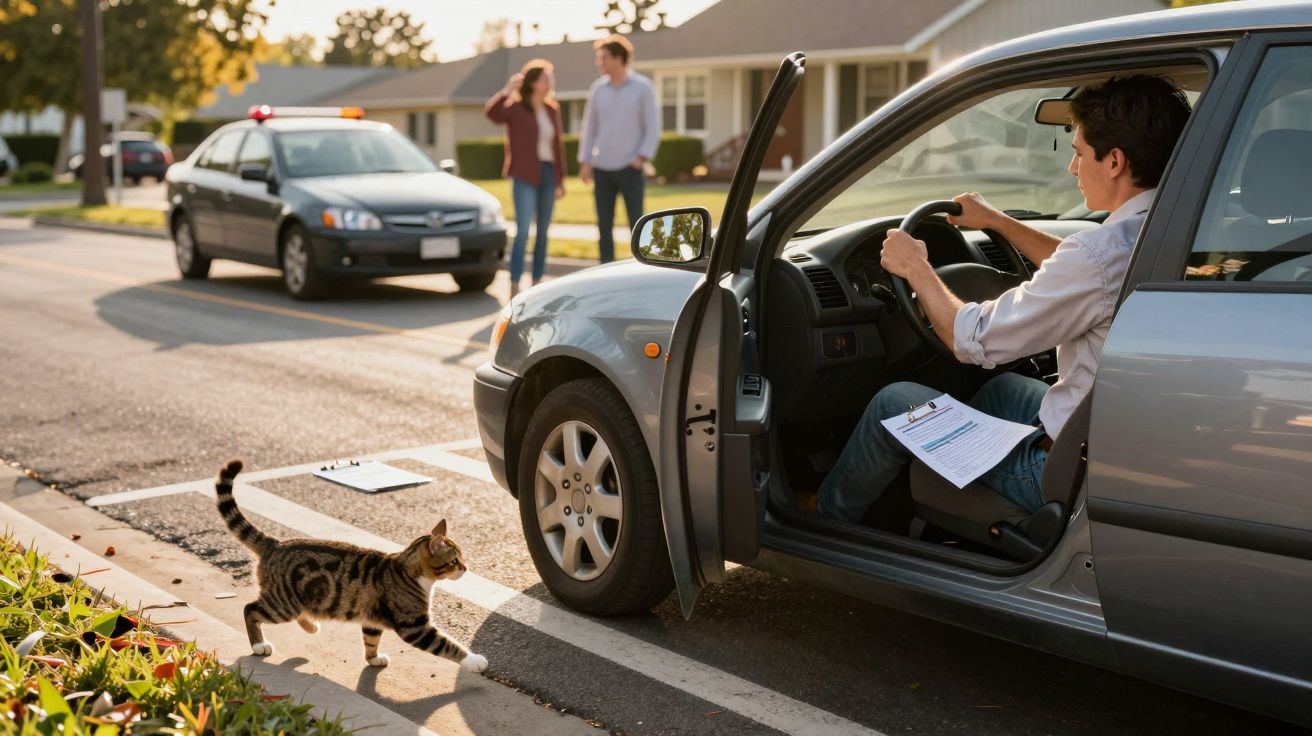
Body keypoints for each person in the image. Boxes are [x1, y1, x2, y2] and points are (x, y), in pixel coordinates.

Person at [815, 75, 1192, 523]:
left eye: (1077, 152)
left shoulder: (1097, 254)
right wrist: (998, 221)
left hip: (1066, 475)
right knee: (1002, 389)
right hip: (1115, 440)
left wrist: (915, 269)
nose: (1072, 169)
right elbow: (1088, 270)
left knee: (892, 402)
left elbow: (970, 339)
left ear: (1114, 161)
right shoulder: (1163, 231)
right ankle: (947, 482)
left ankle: (825, 520)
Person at [485, 59, 567, 298]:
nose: (549, 82)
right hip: (524, 174)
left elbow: (557, 146)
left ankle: (537, 284)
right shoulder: (516, 108)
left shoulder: (552, 109)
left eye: (550, 78)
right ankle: (513, 284)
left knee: (543, 233)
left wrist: (560, 179)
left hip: (548, 173)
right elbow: (493, 114)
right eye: (545, 78)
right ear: (533, 82)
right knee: (522, 232)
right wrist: (507, 90)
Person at [578, 34, 661, 263]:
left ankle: (644, 267)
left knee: (637, 223)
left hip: (630, 167)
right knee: (603, 226)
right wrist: (585, 162)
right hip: (602, 168)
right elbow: (589, 128)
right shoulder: (597, 90)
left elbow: (653, 126)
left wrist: (641, 157)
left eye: (603, 57)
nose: (599, 62)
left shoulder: (642, 88)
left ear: (619, 58)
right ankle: (606, 269)